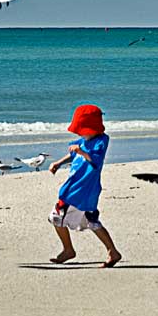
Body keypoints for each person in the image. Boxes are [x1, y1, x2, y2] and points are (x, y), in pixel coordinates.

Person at [48, 104, 122, 268]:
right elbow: (72, 154)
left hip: (81, 190)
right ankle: (113, 252)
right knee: (91, 220)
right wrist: (58, 163)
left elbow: (95, 160)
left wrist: (81, 151)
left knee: (56, 215)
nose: (80, 133)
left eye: (82, 129)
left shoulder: (101, 141)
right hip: (78, 188)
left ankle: (68, 250)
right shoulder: (83, 140)